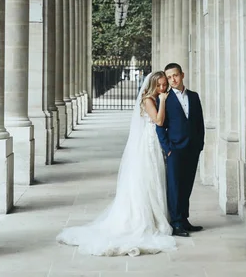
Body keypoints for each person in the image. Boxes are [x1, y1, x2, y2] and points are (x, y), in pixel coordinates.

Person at [56, 71, 176, 256]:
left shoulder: (155, 98)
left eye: (164, 85)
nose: (163, 88)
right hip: (147, 144)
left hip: (154, 143)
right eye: (159, 85)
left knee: (156, 178)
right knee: (148, 179)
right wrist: (164, 100)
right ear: (152, 85)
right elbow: (159, 120)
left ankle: (158, 215)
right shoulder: (149, 100)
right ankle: (146, 219)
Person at [156, 62, 205, 238]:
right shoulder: (164, 98)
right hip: (175, 149)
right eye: (169, 77)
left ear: (182, 75)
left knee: (187, 185)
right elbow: (159, 126)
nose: (172, 79)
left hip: (192, 148)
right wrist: (167, 148)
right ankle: (176, 223)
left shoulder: (194, 96)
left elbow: (199, 122)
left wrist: (200, 144)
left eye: (175, 75)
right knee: (175, 187)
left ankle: (184, 219)